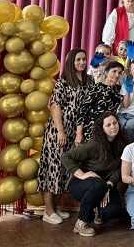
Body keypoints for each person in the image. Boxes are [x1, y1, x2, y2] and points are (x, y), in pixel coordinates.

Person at [38, 49, 93, 224]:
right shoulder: (63, 82)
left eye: (84, 59)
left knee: (64, 170)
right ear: (71, 62)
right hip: (59, 131)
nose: (82, 62)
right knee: (52, 169)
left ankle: (56, 207)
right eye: (78, 59)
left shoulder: (89, 81)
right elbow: (55, 106)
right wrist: (60, 131)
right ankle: (48, 211)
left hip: (76, 132)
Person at [62, 112, 126, 237]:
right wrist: (81, 174)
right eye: (108, 125)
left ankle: (98, 211)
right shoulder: (94, 145)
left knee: (113, 211)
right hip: (81, 185)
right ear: (102, 129)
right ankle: (81, 223)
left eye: (115, 123)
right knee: (99, 185)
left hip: (104, 186)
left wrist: (109, 185)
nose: (113, 126)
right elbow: (66, 156)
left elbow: (119, 169)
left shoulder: (121, 145)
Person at [75, 61, 124, 143]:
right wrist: (79, 134)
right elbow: (82, 110)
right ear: (106, 72)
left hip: (110, 131)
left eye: (119, 73)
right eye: (114, 71)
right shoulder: (97, 88)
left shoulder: (119, 90)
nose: (117, 75)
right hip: (93, 130)